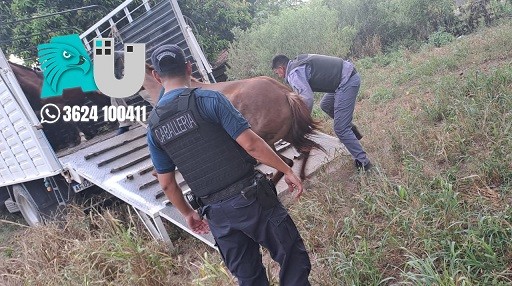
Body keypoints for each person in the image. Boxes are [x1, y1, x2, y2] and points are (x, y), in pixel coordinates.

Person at [147, 44, 311, 286]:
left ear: (157, 76)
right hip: (252, 201)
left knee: (248, 277)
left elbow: (167, 184)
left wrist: (188, 213)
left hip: (215, 214)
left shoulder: (154, 125)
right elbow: (251, 144)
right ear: (189, 68)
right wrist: (287, 169)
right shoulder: (209, 98)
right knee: (291, 258)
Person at [272, 54, 372, 171]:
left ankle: (364, 162)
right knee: (325, 104)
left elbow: (307, 98)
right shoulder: (297, 63)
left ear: (281, 68)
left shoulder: (294, 73)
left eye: (277, 73)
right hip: (343, 76)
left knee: (340, 129)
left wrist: (302, 121)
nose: (278, 76)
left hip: (347, 81)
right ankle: (350, 129)